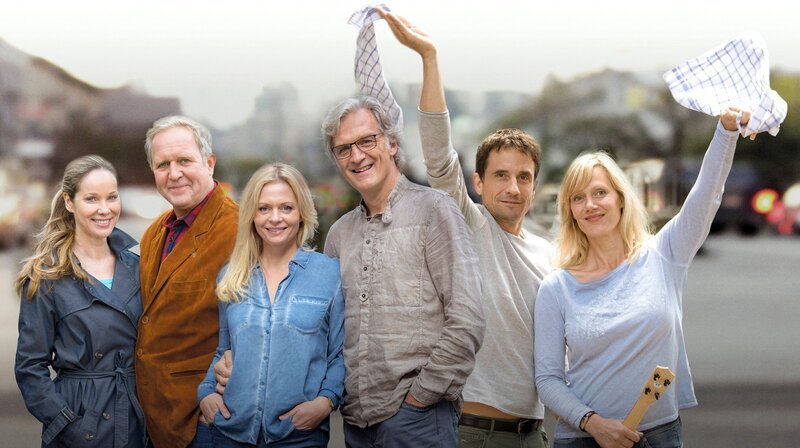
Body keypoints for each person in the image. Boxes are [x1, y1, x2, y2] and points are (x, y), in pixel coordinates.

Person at [379, 10, 552, 447]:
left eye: (524, 177)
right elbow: (438, 156)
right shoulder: (470, 226)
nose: (512, 187)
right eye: (500, 175)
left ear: (535, 184)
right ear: (478, 183)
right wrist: (430, 58)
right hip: (471, 432)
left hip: (535, 434)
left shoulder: (551, 255)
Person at [534, 108, 757, 448]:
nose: (589, 205)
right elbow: (548, 379)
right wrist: (593, 424)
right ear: (570, 213)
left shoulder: (665, 254)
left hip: (661, 434)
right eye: (577, 199)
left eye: (599, 193)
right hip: (582, 439)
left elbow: (706, 195)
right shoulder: (556, 287)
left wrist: (725, 133)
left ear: (620, 199)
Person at [319, 93, 485, 448]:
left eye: (367, 141)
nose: (357, 156)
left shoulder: (435, 211)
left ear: (392, 143)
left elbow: (467, 319)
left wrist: (418, 402)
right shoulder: (338, 235)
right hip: (355, 426)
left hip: (419, 422)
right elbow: (329, 331)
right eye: (344, 149)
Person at [197, 163, 345, 447]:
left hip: (298, 436)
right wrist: (206, 393)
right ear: (252, 214)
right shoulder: (231, 276)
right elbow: (223, 351)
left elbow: (339, 355)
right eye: (264, 208)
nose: (275, 218)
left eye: (286, 208)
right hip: (230, 433)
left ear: (301, 212)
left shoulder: (329, 274)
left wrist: (326, 403)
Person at [15, 155, 145, 447]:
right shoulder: (46, 276)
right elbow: (29, 367)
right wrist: (68, 423)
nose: (104, 209)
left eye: (112, 197)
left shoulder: (139, 266)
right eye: (91, 199)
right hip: (81, 423)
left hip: (137, 418)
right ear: (69, 202)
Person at [135, 115, 239, 448]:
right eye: (162, 164)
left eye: (184, 160)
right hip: (157, 420)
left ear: (209, 164)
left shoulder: (239, 230)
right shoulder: (154, 233)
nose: (174, 173)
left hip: (207, 421)